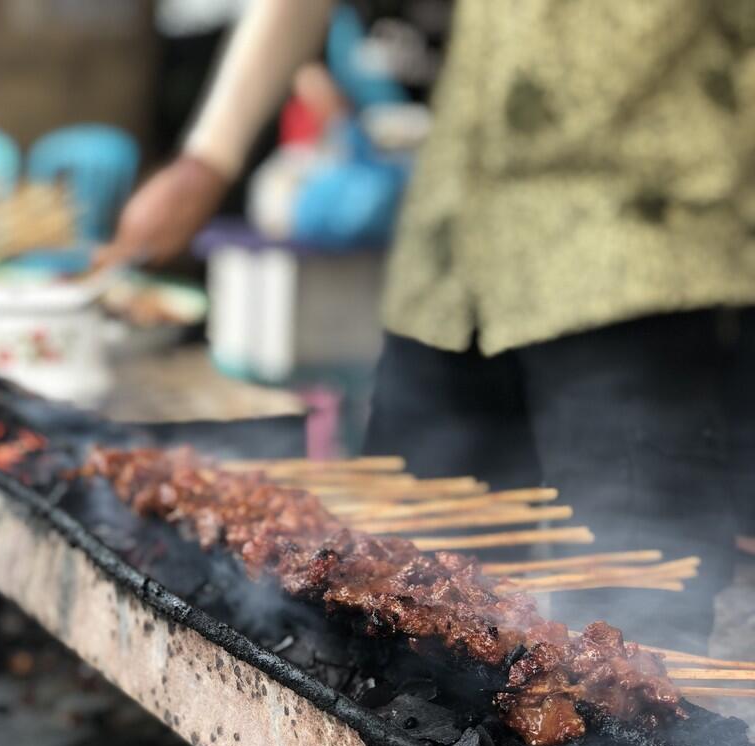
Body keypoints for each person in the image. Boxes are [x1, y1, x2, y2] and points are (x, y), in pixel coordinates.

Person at [101, 0, 755, 653]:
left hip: (645, 262)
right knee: (403, 617)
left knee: (636, 638)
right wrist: (209, 156)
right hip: (452, 266)